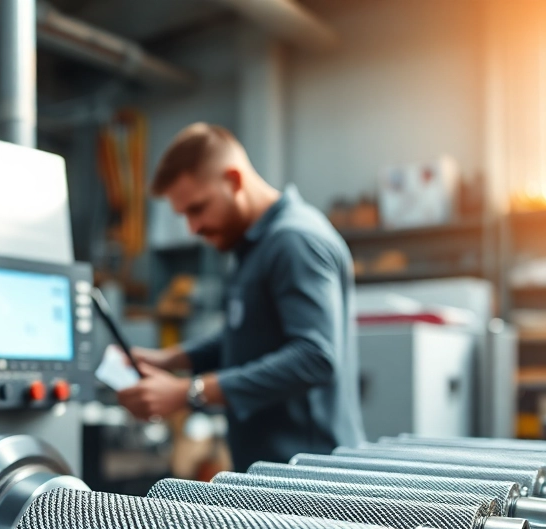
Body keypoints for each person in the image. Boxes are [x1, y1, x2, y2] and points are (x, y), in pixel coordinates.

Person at [116, 123, 364, 469]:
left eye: (197, 209)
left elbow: (314, 357)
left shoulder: (294, 241)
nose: (193, 228)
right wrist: (168, 359)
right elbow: (246, 335)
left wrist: (190, 392)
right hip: (275, 472)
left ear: (233, 180)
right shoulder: (252, 247)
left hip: (309, 477)